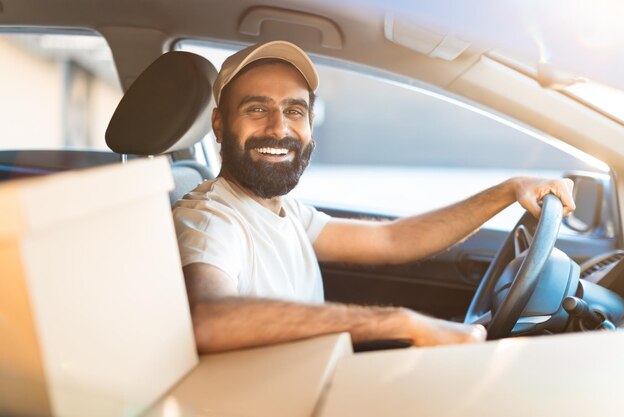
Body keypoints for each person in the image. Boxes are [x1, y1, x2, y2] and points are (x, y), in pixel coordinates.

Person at [173, 40, 575, 353]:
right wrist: (402, 323)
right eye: (257, 109)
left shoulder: (281, 210)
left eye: (295, 111)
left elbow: (392, 240)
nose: (279, 128)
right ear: (220, 125)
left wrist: (507, 191)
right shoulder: (211, 220)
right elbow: (208, 320)